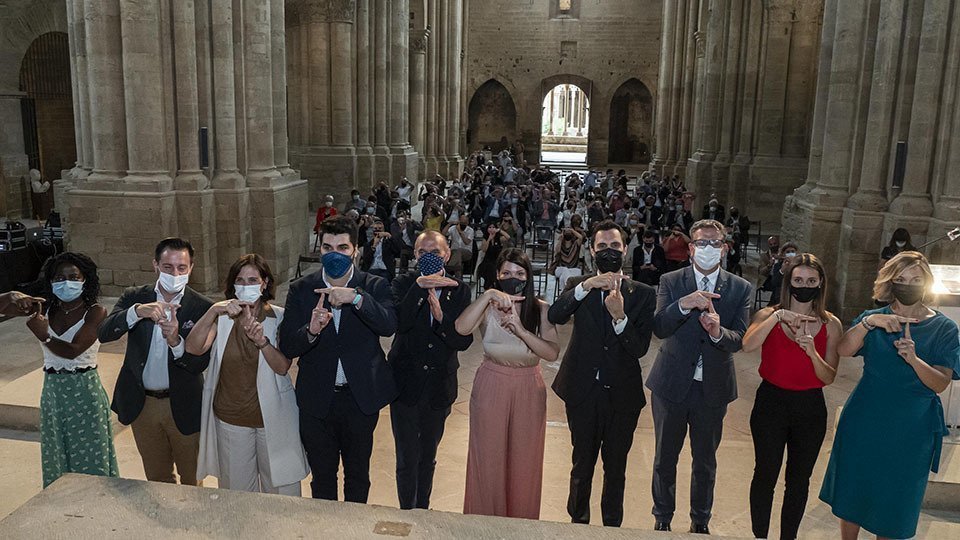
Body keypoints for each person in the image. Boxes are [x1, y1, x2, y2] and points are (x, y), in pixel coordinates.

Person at [820, 251, 958, 540]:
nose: (908, 284)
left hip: (911, 427)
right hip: (866, 416)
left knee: (896, 498)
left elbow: (941, 383)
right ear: (890, 282)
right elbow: (843, 350)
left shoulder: (945, 328)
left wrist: (914, 359)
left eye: (915, 279)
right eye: (901, 279)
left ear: (927, 283)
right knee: (855, 488)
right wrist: (869, 324)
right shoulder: (874, 318)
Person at [278, 215, 398, 502]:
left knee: (357, 475)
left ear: (354, 250)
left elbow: (388, 325)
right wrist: (311, 330)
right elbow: (287, 346)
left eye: (342, 248)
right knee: (322, 478)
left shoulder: (373, 285)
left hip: (360, 398)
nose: (335, 254)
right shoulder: (301, 289)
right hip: (317, 399)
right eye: (328, 247)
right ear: (320, 249)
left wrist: (356, 299)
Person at [646, 219, 752, 534]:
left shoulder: (739, 287)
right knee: (665, 457)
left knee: (704, 461)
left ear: (724, 248)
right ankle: (662, 516)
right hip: (671, 384)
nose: (708, 248)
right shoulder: (671, 281)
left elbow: (741, 338)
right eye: (701, 243)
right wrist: (683, 304)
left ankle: (700, 520)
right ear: (691, 248)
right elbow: (660, 327)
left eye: (714, 243)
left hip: (713, 388)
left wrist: (719, 332)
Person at [548, 220, 657, 527]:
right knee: (581, 465)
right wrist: (585, 288)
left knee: (616, 468)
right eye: (602, 247)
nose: (609, 252)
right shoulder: (578, 286)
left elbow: (639, 349)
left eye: (615, 246)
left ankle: (612, 527)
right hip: (582, 390)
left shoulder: (643, 294)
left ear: (625, 249)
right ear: (591, 250)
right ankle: (578, 523)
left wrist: (620, 317)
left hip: (622, 394)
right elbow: (556, 315)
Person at [185, 254, 309, 496]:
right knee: (238, 497)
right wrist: (211, 311)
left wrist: (262, 342)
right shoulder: (222, 317)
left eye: (253, 280)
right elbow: (193, 347)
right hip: (232, 420)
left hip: (272, 418)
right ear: (232, 285)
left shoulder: (280, 316)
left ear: (264, 283)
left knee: (282, 494)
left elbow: (283, 366)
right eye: (240, 281)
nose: (246, 286)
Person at [741, 254, 842, 540]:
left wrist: (812, 353)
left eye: (811, 281)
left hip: (809, 408)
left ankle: (789, 537)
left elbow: (828, 377)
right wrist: (776, 317)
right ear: (789, 282)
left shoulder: (831, 324)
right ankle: (760, 535)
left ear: (820, 283)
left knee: (798, 481)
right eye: (798, 280)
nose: (804, 286)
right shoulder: (768, 315)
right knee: (765, 473)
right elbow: (747, 346)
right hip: (771, 403)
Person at [455, 248, 560, 519]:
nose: (512, 278)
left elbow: (551, 352)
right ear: (497, 276)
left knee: (525, 459)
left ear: (528, 276)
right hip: (492, 381)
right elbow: (461, 328)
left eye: (519, 273)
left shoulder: (541, 308)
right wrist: (488, 295)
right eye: (506, 273)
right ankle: (483, 522)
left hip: (528, 385)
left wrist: (522, 331)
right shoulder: (487, 305)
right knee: (487, 456)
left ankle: (520, 524)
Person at [98, 238, 212, 486]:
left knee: (192, 477)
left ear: (191, 268)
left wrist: (176, 341)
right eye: (168, 267)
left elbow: (199, 363)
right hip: (144, 403)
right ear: (155, 265)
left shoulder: (202, 307)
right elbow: (104, 333)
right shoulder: (135, 297)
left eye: (182, 267)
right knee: (157, 477)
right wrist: (136, 312)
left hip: (184, 402)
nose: (175, 273)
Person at [0, 253, 118, 488]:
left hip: (84, 389)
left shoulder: (95, 312)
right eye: (59, 278)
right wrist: (12, 295)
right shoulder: (44, 309)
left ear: (85, 279)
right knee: (57, 450)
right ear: (51, 283)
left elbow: (73, 350)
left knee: (90, 451)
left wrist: (44, 335)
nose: (66, 283)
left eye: (73, 277)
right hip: (54, 390)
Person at [389, 231, 473, 509]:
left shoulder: (459, 289)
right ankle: (406, 510)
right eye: (422, 253)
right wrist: (420, 287)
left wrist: (441, 320)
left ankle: (422, 507)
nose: (429, 257)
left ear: (447, 255)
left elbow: (463, 341)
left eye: (435, 252)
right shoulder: (402, 283)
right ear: (414, 256)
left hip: (439, 384)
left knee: (428, 454)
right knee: (406, 456)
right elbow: (398, 324)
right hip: (405, 384)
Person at [475, 220, 512, 290]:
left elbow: (508, 237)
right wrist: (489, 239)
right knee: (491, 269)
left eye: (493, 227)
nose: (491, 229)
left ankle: (490, 286)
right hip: (486, 262)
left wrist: (499, 230)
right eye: (490, 227)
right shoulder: (485, 239)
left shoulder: (499, 239)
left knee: (496, 269)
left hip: (497, 262)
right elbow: (484, 249)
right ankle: (494, 286)